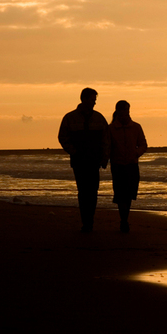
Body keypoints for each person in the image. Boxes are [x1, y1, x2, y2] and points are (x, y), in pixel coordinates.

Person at [58, 87, 110, 232]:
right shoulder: (70, 118)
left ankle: (89, 221)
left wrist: (104, 158)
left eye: (95, 100)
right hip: (79, 162)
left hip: (94, 161)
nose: (94, 103)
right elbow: (63, 137)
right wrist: (74, 152)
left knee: (93, 192)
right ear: (84, 99)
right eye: (93, 100)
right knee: (83, 192)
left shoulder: (99, 118)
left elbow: (106, 139)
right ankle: (86, 221)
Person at [109, 100, 147, 233]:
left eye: (127, 110)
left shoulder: (136, 127)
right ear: (118, 112)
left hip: (132, 165)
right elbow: (107, 147)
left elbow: (143, 144)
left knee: (129, 195)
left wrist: (136, 153)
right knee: (120, 195)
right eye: (124, 110)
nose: (126, 113)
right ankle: (123, 220)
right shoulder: (111, 129)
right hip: (118, 166)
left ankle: (125, 219)